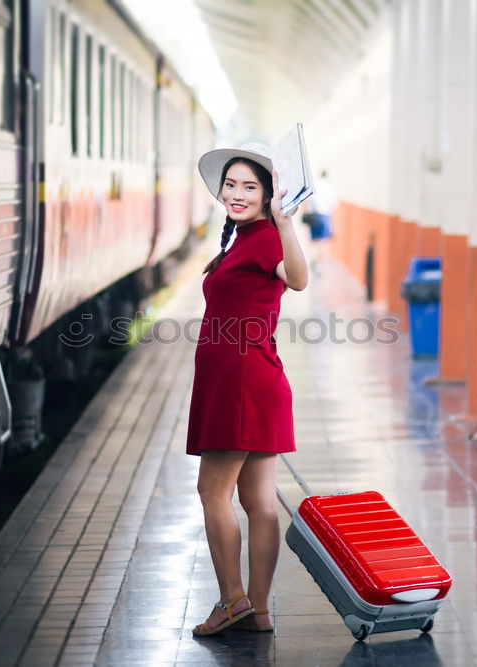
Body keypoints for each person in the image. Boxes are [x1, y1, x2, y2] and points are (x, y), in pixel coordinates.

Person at [187, 143, 309, 636]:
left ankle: (231, 601)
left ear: (268, 195)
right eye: (231, 185)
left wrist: (285, 222)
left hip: (239, 381)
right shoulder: (240, 238)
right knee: (259, 501)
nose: (237, 194)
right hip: (252, 377)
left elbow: (298, 280)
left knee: (212, 492)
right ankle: (257, 611)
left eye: (249, 187)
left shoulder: (265, 237)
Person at [301, 170, 338, 272]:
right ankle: (317, 263)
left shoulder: (315, 184)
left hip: (315, 216)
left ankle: (312, 258)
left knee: (314, 241)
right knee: (322, 243)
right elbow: (333, 205)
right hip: (324, 216)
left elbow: (308, 200)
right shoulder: (330, 187)